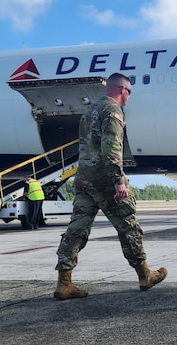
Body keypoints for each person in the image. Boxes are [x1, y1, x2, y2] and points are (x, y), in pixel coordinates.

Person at [53, 73, 167, 300]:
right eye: (129, 92)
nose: (128, 97)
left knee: (76, 230)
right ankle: (145, 275)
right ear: (123, 90)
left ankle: (64, 283)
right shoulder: (113, 112)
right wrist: (118, 181)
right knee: (129, 227)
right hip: (105, 180)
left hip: (85, 179)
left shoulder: (89, 111)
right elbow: (111, 148)